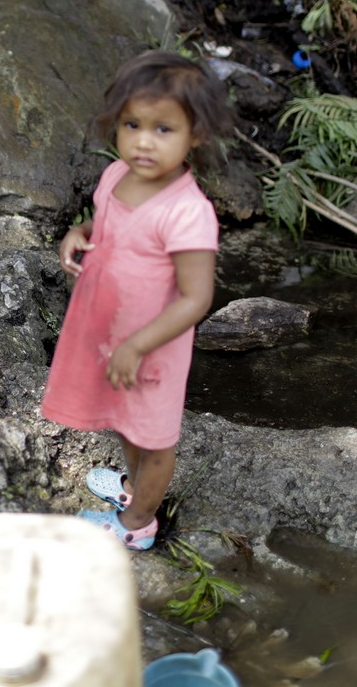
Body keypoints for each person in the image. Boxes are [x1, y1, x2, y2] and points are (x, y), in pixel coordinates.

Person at [41, 51, 233, 550]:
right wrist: (77, 232)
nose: (144, 141)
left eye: (163, 129)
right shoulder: (114, 177)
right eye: (132, 124)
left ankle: (138, 525)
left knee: (154, 436)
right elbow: (101, 223)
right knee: (122, 418)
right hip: (107, 330)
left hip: (151, 345)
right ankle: (133, 489)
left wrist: (136, 346)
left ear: (197, 135)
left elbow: (197, 298)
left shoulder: (189, 213)